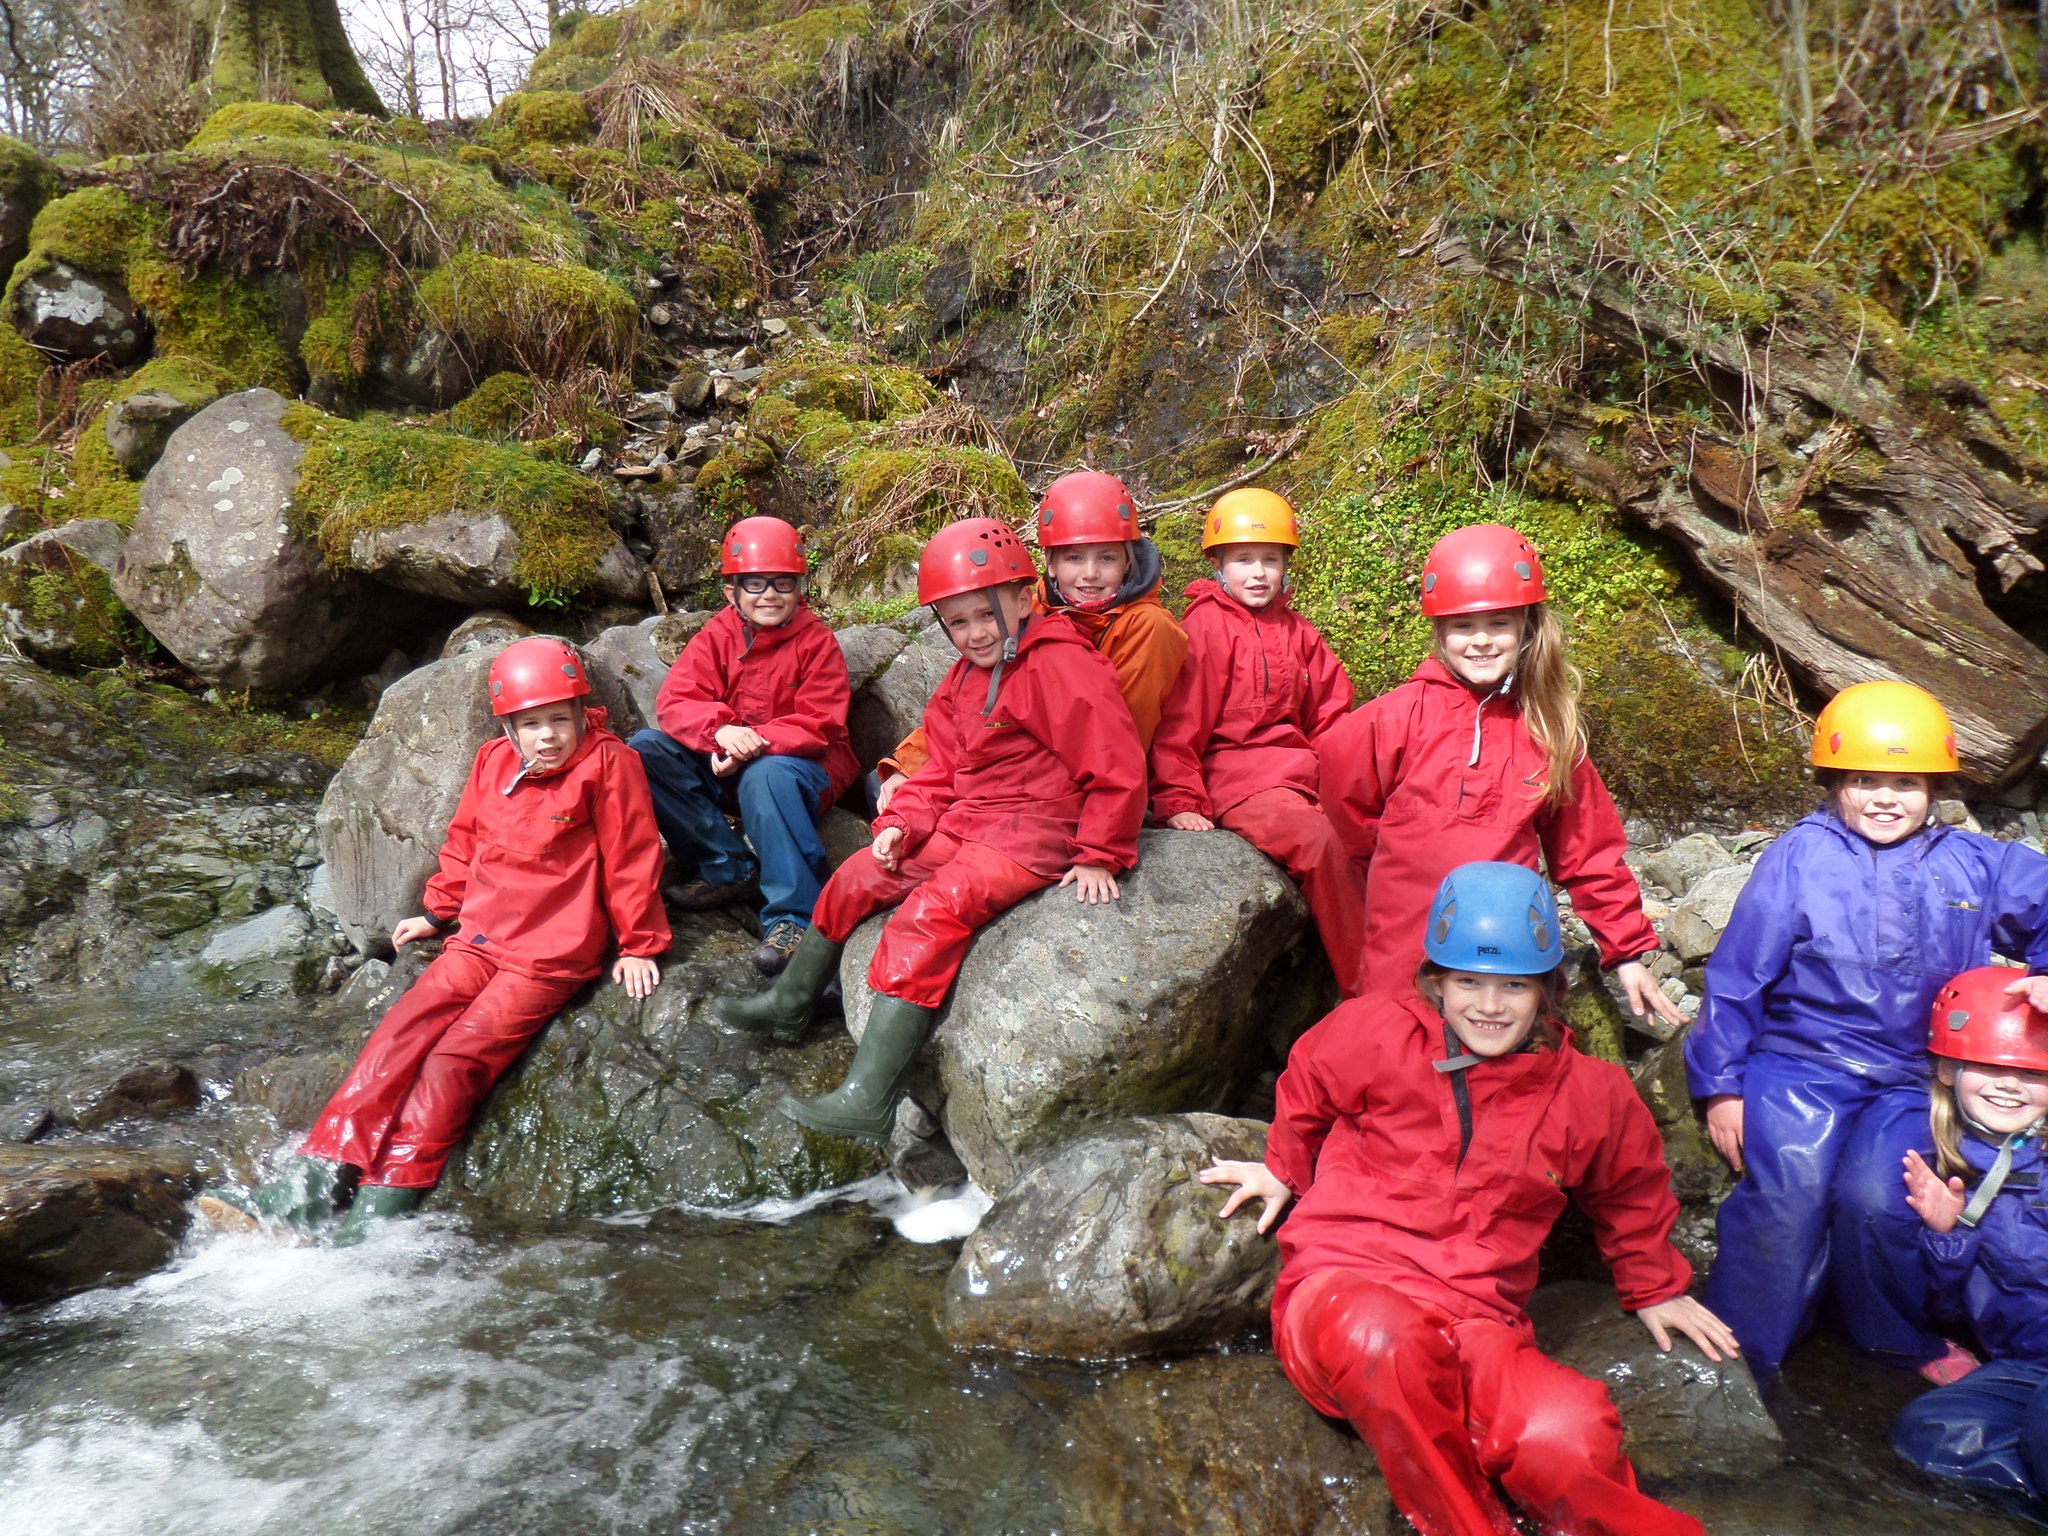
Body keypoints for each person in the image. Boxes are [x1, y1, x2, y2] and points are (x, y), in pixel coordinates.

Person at [1204, 861, 1734, 1536]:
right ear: (1437, 983)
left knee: (1564, 1431)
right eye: (1468, 983)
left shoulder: (1592, 1094)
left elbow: (1629, 1190)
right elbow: (1308, 1076)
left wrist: (1655, 1284)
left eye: (1513, 986)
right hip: (1345, 1291)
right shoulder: (1374, 1032)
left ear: (1547, 990)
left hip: (1477, 1321)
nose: (1489, 1005)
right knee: (1381, 1341)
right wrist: (1283, 1167)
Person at [199, 637, 669, 1244]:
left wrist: (639, 944)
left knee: (454, 1060)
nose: (548, 736)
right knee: (402, 1031)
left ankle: (382, 1207)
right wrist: (437, 911)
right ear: (509, 726)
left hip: (547, 957)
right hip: (478, 938)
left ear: (582, 713)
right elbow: (467, 840)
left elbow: (632, 857)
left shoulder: (610, 764)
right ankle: (311, 1187)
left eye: (560, 719)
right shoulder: (492, 762)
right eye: (532, 724)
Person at [712, 517, 1146, 1141]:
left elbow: (1116, 765)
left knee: (931, 913)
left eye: (986, 615)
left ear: (1025, 599)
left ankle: (869, 1097)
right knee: (858, 873)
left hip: (1035, 832)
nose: (974, 634)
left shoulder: (1063, 668)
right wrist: (899, 825)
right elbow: (940, 767)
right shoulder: (964, 679)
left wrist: (1101, 852)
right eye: (957, 621)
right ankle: (790, 1003)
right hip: (972, 817)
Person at [1686, 680, 2048, 1380]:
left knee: (1880, 1200)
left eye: (1906, 782)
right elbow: (1737, 977)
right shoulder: (1798, 856)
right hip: (1799, 1064)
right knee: (1788, 1197)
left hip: (1915, 1074)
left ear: (1936, 788)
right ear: (1833, 782)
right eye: (1865, 780)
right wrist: (1721, 1084)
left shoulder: (1972, 860)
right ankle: (1743, 1354)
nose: (1886, 797)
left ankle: (1887, 1340)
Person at [1318, 522, 1681, 1027]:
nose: (1482, 641)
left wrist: (1625, 953)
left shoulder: (1549, 730)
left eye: (1499, 624)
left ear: (1528, 628)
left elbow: (1588, 851)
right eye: (1463, 626)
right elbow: (1344, 803)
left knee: (1507, 1081)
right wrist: (1383, 861)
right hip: (1404, 943)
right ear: (1439, 631)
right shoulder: (1393, 717)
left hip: (1505, 956)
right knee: (1391, 1061)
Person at [1148, 487, 1369, 996]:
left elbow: (1332, 716)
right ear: (1219, 564)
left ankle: (1433, 968)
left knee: (1375, 835)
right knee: (1322, 846)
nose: (1258, 572)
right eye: (1243, 559)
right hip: (1238, 779)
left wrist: (1354, 782)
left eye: (1270, 559)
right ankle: (1373, 992)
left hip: (1302, 773)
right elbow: (1179, 724)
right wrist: (1179, 799)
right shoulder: (1205, 627)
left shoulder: (1298, 631)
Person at [872, 470, 1187, 812]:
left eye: (1107, 557)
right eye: (1074, 557)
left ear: (1128, 561)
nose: (1090, 573)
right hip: (1017, 767)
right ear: (1050, 563)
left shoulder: (1148, 627)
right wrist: (910, 766)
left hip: (1080, 783)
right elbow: (971, 698)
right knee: (881, 787)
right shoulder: (1029, 605)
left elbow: (1116, 739)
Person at [629, 515, 857, 975]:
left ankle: (795, 919)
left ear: (800, 589)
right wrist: (721, 732)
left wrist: (750, 746)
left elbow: (819, 722)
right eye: (755, 583)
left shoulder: (817, 643)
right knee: (646, 748)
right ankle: (728, 867)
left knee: (767, 773)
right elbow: (677, 700)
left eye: (782, 583)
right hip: (730, 765)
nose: (769, 594)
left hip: (799, 771)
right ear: (732, 592)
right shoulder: (718, 635)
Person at [1893, 968, 2048, 1519]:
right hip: (2026, 1365)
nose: (2009, 1084)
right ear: (1949, 1068)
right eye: (1988, 1065)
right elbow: (1946, 1309)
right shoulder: (1940, 1158)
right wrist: (1947, 1235)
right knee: (1928, 1433)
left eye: (2032, 1073)